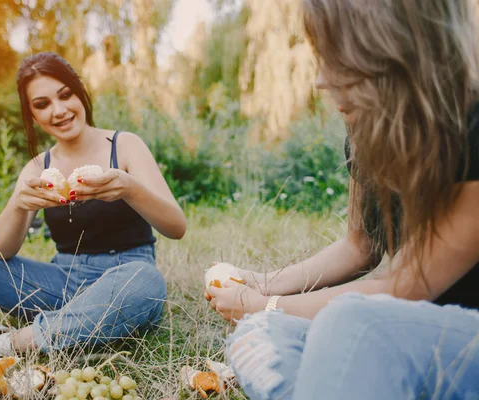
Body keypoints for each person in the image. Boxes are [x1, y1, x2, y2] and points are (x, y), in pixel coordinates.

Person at [205, 1, 479, 399]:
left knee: (347, 323)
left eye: (337, 57)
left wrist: (262, 303)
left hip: (458, 336)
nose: (320, 80)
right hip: (397, 333)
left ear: (394, 48)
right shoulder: (369, 131)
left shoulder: (472, 127)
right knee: (257, 336)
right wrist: (263, 286)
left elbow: (407, 288)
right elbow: (360, 244)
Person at [0, 51, 187, 400]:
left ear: (80, 94)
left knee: (147, 281)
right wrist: (19, 203)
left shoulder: (123, 145)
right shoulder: (37, 167)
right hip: (60, 282)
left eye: (65, 95)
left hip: (125, 276)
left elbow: (176, 226)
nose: (58, 111)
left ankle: (1, 344)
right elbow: (3, 250)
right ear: (32, 114)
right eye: (42, 104)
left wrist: (130, 188)